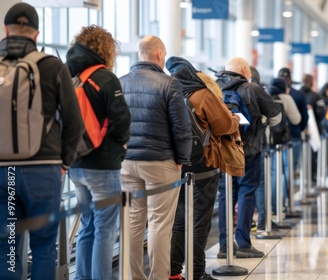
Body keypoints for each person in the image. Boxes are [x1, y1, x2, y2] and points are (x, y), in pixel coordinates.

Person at [0, 3, 84, 279]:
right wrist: (64, 162)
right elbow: (74, 121)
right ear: (36, 33)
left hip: (3, 172)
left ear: (5, 29)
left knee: (7, 247)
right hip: (43, 169)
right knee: (44, 248)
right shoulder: (52, 66)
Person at [119, 36, 192, 279]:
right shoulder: (169, 83)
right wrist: (182, 158)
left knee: (132, 222)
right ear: (160, 54)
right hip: (161, 162)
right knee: (159, 223)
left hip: (127, 162)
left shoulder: (121, 83)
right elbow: (181, 127)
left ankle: (132, 276)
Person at [165, 56, 240, 280]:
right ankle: (197, 272)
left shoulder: (168, 92)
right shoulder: (202, 94)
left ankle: (173, 271)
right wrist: (235, 119)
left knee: (179, 218)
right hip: (203, 164)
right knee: (200, 220)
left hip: (177, 164)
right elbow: (225, 125)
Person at [66, 25, 131, 280]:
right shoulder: (104, 77)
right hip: (102, 165)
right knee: (105, 229)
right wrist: (122, 144)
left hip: (75, 163)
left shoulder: (71, 75)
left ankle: (82, 277)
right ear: (106, 49)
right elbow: (122, 119)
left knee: (87, 226)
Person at [216, 57, 282, 258]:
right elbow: (276, 117)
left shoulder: (214, 87)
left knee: (226, 195)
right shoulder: (253, 89)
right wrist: (262, 122)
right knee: (246, 193)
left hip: (222, 151)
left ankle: (224, 246)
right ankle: (243, 243)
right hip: (249, 150)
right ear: (245, 70)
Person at [266, 77, 301, 220]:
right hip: (282, 142)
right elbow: (296, 119)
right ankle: (280, 205)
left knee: (271, 173)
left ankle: (271, 208)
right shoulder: (286, 98)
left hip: (267, 141)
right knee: (285, 171)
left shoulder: (265, 95)